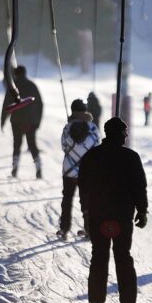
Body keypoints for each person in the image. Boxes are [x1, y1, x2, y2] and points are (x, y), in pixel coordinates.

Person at [78, 117, 148, 303]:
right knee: (123, 257)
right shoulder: (131, 157)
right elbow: (139, 187)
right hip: (123, 217)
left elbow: (84, 186)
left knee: (99, 257)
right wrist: (142, 211)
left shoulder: (92, 156)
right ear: (122, 135)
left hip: (99, 216)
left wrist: (87, 211)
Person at [57, 99, 101, 240]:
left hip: (69, 170)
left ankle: (64, 229)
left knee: (67, 198)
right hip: (87, 171)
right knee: (87, 200)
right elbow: (97, 146)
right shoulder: (93, 128)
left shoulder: (67, 127)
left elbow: (64, 146)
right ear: (85, 110)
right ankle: (89, 230)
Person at [1, 65, 44, 179]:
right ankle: (38, 168)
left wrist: (2, 121)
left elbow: (6, 105)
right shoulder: (32, 85)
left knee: (17, 145)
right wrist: (37, 122)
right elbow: (40, 104)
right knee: (32, 145)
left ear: (15, 74)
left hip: (17, 121)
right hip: (31, 122)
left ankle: (15, 168)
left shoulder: (13, 87)